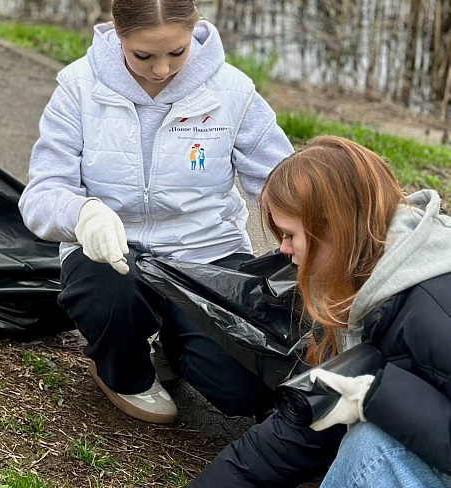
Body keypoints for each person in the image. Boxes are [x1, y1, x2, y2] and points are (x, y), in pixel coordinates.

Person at [18, 0, 293, 424]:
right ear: (118, 35)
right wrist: (83, 214)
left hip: (208, 259)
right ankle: (122, 371)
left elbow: (280, 183)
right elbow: (42, 192)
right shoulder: (78, 87)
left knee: (246, 395)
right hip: (115, 256)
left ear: (194, 31)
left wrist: (315, 222)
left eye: (176, 52)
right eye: (143, 56)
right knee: (108, 294)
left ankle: (176, 343)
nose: (161, 70)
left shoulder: (234, 92)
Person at [191, 137, 451, 487]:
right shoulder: (366, 285)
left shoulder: (432, 307)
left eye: (289, 234)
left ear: (335, 229)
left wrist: (379, 398)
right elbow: (296, 436)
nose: (282, 249)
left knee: (370, 449)